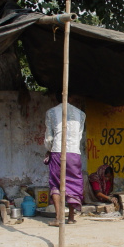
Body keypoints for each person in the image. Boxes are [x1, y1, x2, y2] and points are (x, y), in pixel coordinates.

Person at [45, 93, 86, 226]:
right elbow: (79, 136)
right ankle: (71, 217)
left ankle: (58, 218)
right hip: (74, 153)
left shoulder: (51, 113)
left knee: (56, 184)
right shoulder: (81, 114)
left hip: (58, 151)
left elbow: (49, 138)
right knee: (72, 183)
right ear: (71, 97)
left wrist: (48, 150)